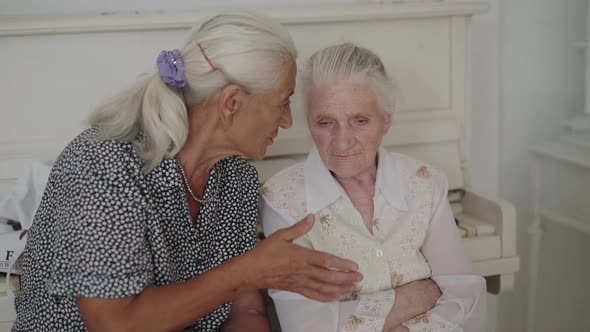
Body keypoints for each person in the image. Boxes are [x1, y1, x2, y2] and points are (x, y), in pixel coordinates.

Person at [12, 12, 366, 332]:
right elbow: (113, 324)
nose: (288, 120)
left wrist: (251, 281)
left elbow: (245, 310)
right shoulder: (106, 164)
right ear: (231, 103)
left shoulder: (235, 178)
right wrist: (249, 271)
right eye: (282, 101)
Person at [261, 43, 487, 332]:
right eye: (325, 122)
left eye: (360, 121)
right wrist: (412, 297)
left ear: (387, 121)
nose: (342, 142)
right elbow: (306, 326)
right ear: (309, 122)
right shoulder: (282, 200)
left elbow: (466, 295)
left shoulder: (425, 182)